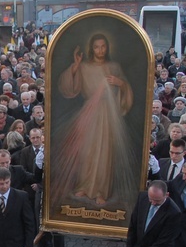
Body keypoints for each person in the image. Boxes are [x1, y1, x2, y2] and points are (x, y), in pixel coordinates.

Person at [55, 34, 134, 205]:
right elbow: (69, 88)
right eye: (97, 47)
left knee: (104, 152)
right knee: (87, 150)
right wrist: (75, 67)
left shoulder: (114, 66)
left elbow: (126, 91)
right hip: (89, 113)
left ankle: (100, 191)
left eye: (103, 46)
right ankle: (84, 186)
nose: (100, 50)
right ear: (92, 48)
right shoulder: (84, 67)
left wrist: (120, 83)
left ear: (107, 48)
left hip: (108, 114)